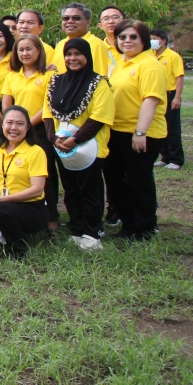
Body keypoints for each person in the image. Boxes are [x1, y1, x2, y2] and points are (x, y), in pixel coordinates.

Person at [44, 38, 115, 250]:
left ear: (87, 56)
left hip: (89, 146)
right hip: (62, 146)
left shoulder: (98, 83)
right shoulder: (56, 81)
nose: (72, 58)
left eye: (78, 54)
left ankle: (92, 232)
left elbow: (100, 116)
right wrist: (53, 138)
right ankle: (77, 229)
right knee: (71, 189)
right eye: (68, 54)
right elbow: (48, 113)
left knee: (89, 190)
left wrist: (76, 139)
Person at [101, 20, 167, 241]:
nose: (127, 41)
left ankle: (144, 228)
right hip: (116, 130)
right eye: (122, 37)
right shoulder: (123, 62)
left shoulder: (149, 65)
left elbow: (151, 100)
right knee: (116, 180)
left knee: (139, 181)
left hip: (141, 133)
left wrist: (140, 133)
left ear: (144, 39)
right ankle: (129, 226)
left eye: (133, 37)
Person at [0, 106, 49, 257]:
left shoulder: (36, 152)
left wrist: (0, 200)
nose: (13, 128)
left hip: (32, 208)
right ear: (2, 125)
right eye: (9, 123)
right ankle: (2, 239)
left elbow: (37, 190)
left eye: (20, 124)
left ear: (27, 127)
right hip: (4, 204)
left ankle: (19, 250)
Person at [153, 29, 185, 170]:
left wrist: (177, 97)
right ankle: (165, 157)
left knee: (172, 127)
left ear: (163, 41)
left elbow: (179, 77)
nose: (152, 41)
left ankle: (176, 159)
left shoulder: (173, 56)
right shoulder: (151, 55)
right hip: (157, 94)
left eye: (154, 38)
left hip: (170, 94)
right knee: (160, 126)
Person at [51, 4, 111, 77]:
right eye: (66, 18)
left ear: (88, 22)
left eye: (76, 18)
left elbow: (97, 78)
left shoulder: (95, 44)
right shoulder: (61, 44)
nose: (70, 21)